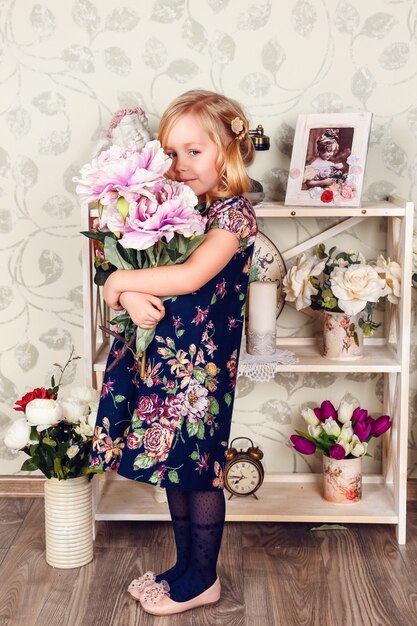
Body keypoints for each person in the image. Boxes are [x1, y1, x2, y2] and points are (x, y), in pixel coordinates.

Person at [89, 90, 258, 616]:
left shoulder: (233, 217)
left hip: (198, 372)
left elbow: (187, 276)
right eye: (172, 153)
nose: (181, 165)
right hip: (163, 362)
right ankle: (186, 567)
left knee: (200, 468)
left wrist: (118, 281)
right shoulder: (182, 211)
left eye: (195, 151)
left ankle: (204, 577)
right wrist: (131, 292)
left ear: (227, 151)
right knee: (175, 468)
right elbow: (157, 276)